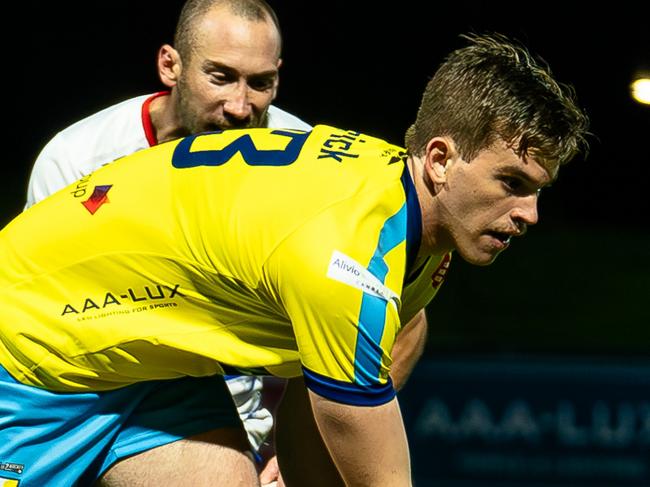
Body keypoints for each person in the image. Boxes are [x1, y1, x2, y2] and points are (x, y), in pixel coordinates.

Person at [0, 33, 588, 486]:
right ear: (438, 159)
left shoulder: (414, 222)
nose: (530, 213)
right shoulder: (349, 257)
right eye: (512, 182)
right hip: (31, 343)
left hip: (150, 368)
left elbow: (318, 409)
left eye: (539, 189)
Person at [23, 0, 313, 481]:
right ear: (170, 65)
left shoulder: (306, 169)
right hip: (76, 403)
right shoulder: (78, 160)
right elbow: (37, 324)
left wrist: (302, 445)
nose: (241, 107)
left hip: (217, 426)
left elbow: (395, 317)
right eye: (220, 77)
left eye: (260, 83)